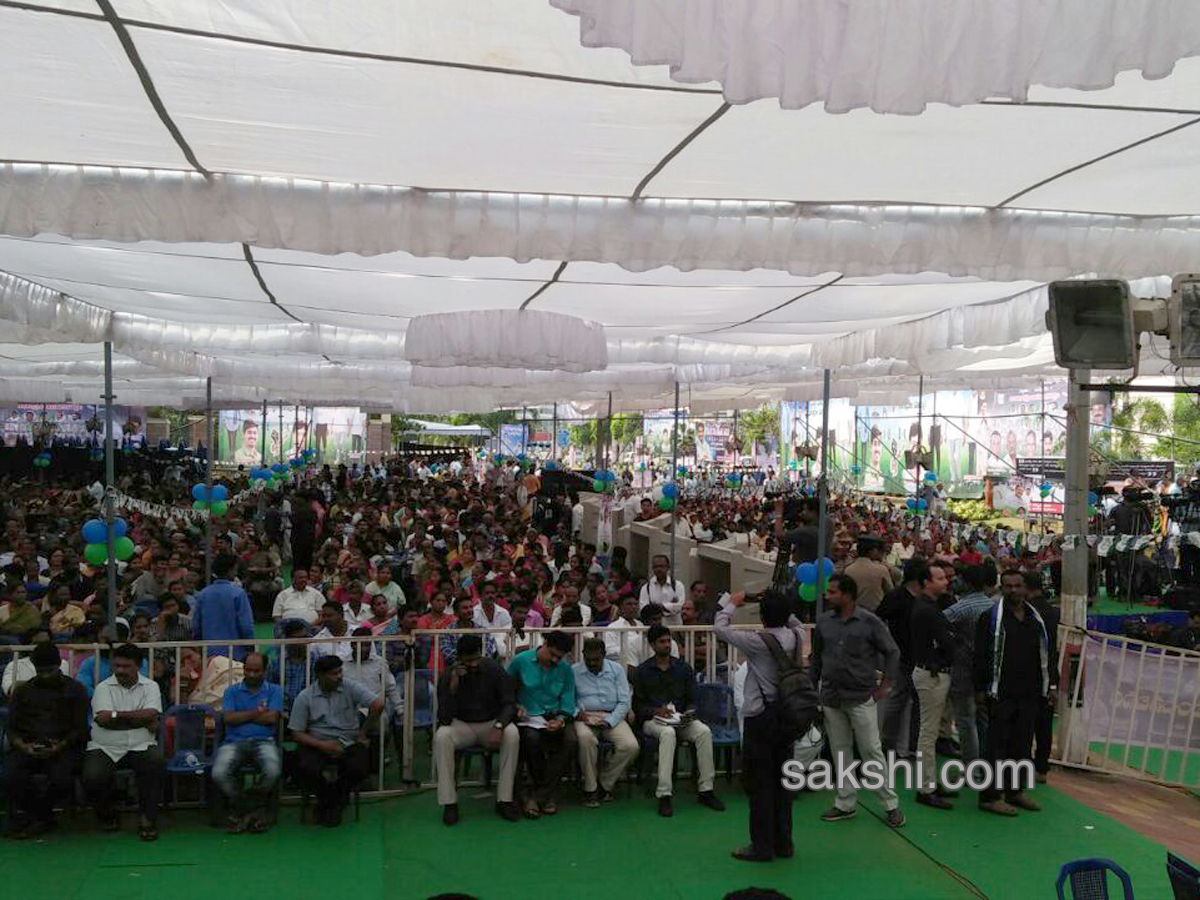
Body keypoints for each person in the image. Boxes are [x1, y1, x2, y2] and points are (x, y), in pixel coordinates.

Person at [715, 589, 807, 861]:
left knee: (760, 785)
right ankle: (784, 842)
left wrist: (734, 602)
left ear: (763, 616)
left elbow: (719, 628)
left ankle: (762, 846)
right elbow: (795, 621)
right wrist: (780, 603)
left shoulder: (757, 641)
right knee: (783, 782)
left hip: (761, 718)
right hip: (788, 717)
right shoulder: (798, 635)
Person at [810, 575, 904, 828]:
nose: (827, 596)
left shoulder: (869, 622)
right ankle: (845, 803)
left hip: (861, 696)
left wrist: (886, 684)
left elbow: (892, 651)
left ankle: (890, 804)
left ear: (847, 595)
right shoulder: (823, 623)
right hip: (831, 696)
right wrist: (812, 688)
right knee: (840, 751)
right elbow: (816, 658)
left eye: (832, 592)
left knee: (871, 750)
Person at [974, 570, 1057, 816]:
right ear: (1002, 588)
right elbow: (980, 655)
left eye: (1017, 585)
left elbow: (1048, 653)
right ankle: (990, 796)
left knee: (1021, 745)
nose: (1013, 590)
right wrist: (980, 689)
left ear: (1024, 587)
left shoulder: (1035, 619)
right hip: (1000, 693)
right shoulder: (990, 618)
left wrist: (1050, 685)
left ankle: (1015, 791)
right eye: (1008, 586)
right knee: (996, 746)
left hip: (1030, 692)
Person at [632, 624, 724, 817]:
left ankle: (706, 790)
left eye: (669, 641)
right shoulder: (643, 671)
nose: (667, 645)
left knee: (703, 731)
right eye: (662, 642)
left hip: (680, 719)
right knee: (667, 733)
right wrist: (657, 711)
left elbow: (693, 699)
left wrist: (689, 712)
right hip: (653, 721)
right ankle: (664, 794)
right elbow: (638, 707)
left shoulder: (683, 668)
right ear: (652, 645)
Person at [4, 641, 89, 838]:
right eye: (40, 671)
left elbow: (80, 729)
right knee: (9, 776)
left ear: (59, 665)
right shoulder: (23, 691)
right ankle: (42, 816)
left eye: (49, 670)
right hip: (27, 747)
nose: (45, 675)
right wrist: (22, 745)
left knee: (62, 779)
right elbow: (11, 727)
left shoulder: (75, 689)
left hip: (64, 747)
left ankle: (37, 818)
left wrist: (60, 745)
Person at [434, 634, 521, 825]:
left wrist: (499, 726)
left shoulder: (494, 669)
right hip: (462, 725)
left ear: (480, 655)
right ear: (459, 659)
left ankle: (504, 799)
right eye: (468, 661)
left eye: (475, 659)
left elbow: (509, 703)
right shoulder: (449, 674)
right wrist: (453, 687)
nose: (473, 664)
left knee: (512, 733)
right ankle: (449, 803)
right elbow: (444, 718)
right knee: (441, 736)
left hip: (490, 723)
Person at [289, 654, 383, 826]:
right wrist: (323, 745)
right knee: (305, 768)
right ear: (320, 675)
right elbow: (297, 733)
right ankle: (330, 801)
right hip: (317, 743)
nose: (339, 676)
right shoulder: (305, 697)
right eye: (334, 673)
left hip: (347, 742)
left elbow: (378, 704)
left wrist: (363, 733)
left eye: (340, 672)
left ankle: (335, 800)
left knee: (360, 768)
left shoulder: (350, 686)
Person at [83, 643, 164, 841]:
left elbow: (152, 713)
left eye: (125, 666)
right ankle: (107, 815)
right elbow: (102, 720)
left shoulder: (151, 686)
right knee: (92, 776)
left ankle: (147, 819)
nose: (120, 670)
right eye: (117, 666)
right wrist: (141, 720)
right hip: (105, 746)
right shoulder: (103, 688)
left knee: (155, 764)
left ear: (138, 666)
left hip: (141, 744)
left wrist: (116, 716)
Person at [508, 631, 577, 818]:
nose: (555, 660)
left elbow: (569, 697)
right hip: (527, 718)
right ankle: (545, 794)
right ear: (544, 644)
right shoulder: (521, 661)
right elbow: (506, 690)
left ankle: (536, 796)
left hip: (555, 715)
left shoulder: (565, 668)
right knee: (532, 739)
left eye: (559, 657)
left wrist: (561, 719)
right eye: (552, 654)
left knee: (571, 741)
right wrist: (516, 706)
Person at [212, 651, 283, 833]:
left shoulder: (275, 690)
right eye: (248, 670)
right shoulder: (231, 691)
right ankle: (255, 810)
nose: (251, 674)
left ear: (265, 671)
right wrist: (257, 712)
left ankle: (243, 808)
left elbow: (272, 718)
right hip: (233, 742)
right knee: (219, 773)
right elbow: (228, 718)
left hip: (264, 741)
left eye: (256, 671)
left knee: (273, 771)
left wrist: (242, 715)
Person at [908, 560, 956, 809]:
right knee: (928, 733)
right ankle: (925, 787)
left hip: (932, 672)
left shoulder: (928, 606)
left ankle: (930, 782)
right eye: (939, 578)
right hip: (931, 675)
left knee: (930, 732)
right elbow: (946, 640)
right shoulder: (926, 609)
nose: (945, 581)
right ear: (926, 582)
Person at [572, 637, 639, 806]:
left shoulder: (616, 669)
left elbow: (624, 701)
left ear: (604, 655)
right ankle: (590, 789)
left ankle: (604, 783)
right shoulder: (574, 670)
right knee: (586, 740)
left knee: (631, 746)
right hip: (585, 716)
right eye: (588, 659)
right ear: (583, 655)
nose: (592, 663)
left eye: (596, 659)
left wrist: (610, 721)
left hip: (611, 715)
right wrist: (578, 714)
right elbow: (567, 700)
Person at [942, 564, 996, 763]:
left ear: (968, 583)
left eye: (959, 578)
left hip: (964, 667)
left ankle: (971, 767)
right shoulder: (992, 606)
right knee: (983, 719)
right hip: (986, 668)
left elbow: (938, 624)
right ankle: (985, 764)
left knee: (965, 720)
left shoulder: (961, 607)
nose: (954, 581)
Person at [876, 557, 924, 758]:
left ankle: (912, 746)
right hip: (901, 659)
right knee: (896, 704)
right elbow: (878, 619)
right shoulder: (896, 597)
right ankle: (888, 746)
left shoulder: (924, 598)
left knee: (918, 705)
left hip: (921, 659)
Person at [191, 554, 254, 659]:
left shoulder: (203, 594)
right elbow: (246, 626)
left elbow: (195, 627)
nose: (236, 572)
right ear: (230, 570)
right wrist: (250, 646)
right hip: (234, 654)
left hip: (209, 654)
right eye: (235, 569)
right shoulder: (238, 593)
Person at [842, 537, 894, 613]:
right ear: (872, 551)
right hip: (875, 613)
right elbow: (890, 591)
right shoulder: (881, 569)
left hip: (853, 612)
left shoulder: (848, 569)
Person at [638, 554, 686, 625]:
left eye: (662, 566)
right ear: (652, 568)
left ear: (668, 567)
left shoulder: (678, 585)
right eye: (656, 567)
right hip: (654, 629)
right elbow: (644, 610)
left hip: (674, 628)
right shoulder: (646, 588)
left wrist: (658, 607)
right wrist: (669, 607)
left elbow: (680, 606)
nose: (659, 569)